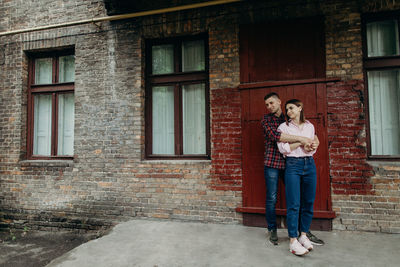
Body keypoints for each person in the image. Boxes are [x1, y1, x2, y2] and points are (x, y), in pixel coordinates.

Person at [261, 92, 324, 246]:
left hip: (291, 163)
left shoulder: (289, 118)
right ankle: (272, 229)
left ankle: (304, 231)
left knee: (301, 197)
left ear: (279, 102)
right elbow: (277, 137)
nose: (270, 107)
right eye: (267, 104)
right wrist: (303, 140)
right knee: (272, 198)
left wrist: (314, 140)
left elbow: (308, 133)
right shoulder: (267, 120)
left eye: (272, 103)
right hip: (273, 163)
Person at [277, 99, 318, 256]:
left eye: (292, 108)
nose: (288, 112)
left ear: (300, 108)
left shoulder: (310, 126)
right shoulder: (283, 127)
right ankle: (293, 241)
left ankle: (303, 235)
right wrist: (301, 142)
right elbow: (284, 149)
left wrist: (311, 146)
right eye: (287, 109)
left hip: (309, 164)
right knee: (294, 203)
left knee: (308, 202)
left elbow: (311, 147)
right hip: (293, 165)